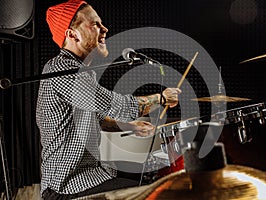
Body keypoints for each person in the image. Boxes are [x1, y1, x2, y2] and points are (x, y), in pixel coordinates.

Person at [35, 0, 181, 199]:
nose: (105, 29)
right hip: (66, 185)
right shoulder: (60, 70)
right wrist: (160, 98)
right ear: (72, 34)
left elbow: (99, 117)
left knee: (150, 179)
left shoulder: (84, 72)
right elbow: (116, 105)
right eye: (95, 24)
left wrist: (131, 127)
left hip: (93, 174)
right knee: (152, 191)